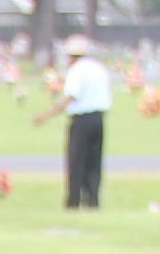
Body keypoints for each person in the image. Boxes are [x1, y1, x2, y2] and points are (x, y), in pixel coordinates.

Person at [34, 33, 111, 208]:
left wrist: (45, 115)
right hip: (99, 118)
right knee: (94, 161)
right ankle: (93, 200)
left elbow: (70, 96)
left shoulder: (77, 70)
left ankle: (73, 200)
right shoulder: (98, 68)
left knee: (76, 160)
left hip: (81, 119)